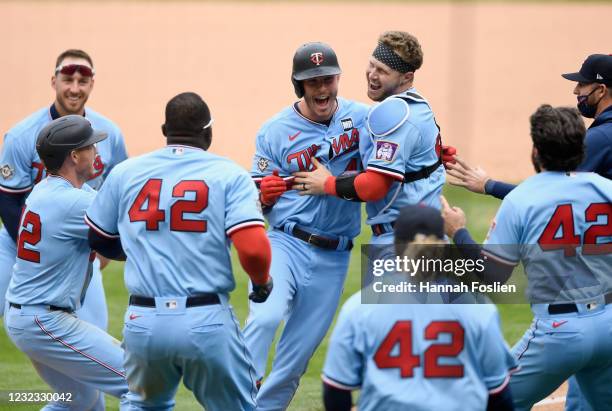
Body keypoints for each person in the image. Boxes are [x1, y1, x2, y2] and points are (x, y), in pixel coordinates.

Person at [445, 53, 612, 411]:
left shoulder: (522, 201)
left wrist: (459, 232)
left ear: (536, 150)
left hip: (560, 330)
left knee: (487, 403)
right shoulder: (603, 186)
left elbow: (490, 277)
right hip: (609, 325)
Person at [86, 92, 272, 410]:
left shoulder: (126, 172)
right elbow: (253, 250)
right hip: (206, 321)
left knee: (145, 405)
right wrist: (261, 284)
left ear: (164, 130)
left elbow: (99, 238)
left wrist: (143, 248)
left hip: (143, 323)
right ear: (208, 132)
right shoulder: (230, 174)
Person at [244, 42, 369, 410]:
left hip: (335, 255)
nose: (322, 88)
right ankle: (236, 400)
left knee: (294, 361)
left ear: (337, 79)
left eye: (327, 78)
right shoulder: (274, 132)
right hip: (287, 243)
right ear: (299, 85)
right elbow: (253, 204)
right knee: (264, 318)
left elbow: (380, 175)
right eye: (312, 81)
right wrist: (264, 198)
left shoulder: (363, 119)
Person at [321, 204, 516, 411]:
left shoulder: (360, 307)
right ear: (443, 245)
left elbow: (335, 390)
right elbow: (499, 395)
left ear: (396, 248)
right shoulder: (477, 307)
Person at [4, 115, 129, 410]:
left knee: (80, 400)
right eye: (91, 147)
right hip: (44, 321)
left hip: (30, 317)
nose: (97, 153)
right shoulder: (71, 203)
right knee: (138, 380)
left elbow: (106, 202)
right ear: (74, 156)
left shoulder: (48, 190)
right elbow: (124, 239)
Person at [0, 49, 128, 331]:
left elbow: (119, 189)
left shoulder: (109, 133)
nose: (74, 88)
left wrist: (102, 244)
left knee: (94, 329)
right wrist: (31, 242)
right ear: (54, 81)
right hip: (20, 239)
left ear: (91, 84)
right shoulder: (22, 135)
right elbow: (8, 202)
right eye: (67, 79)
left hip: (80, 241)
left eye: (82, 81)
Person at [293, 31, 446, 245]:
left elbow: (374, 187)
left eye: (383, 71)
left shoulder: (394, 113)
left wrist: (327, 184)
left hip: (404, 243)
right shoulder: (419, 105)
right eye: (372, 65)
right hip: (427, 236)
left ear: (407, 77)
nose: (372, 74)